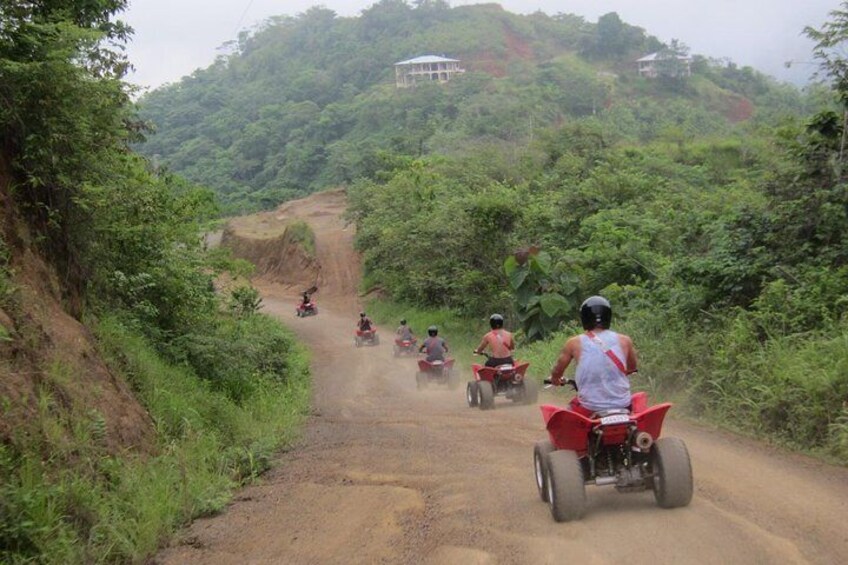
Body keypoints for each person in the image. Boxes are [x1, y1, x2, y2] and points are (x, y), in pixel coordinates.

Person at [548, 296, 638, 415]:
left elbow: (558, 369)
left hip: (590, 407)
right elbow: (632, 368)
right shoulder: (625, 340)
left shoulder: (574, 343)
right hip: (623, 404)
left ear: (584, 318)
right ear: (608, 316)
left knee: (569, 415)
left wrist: (555, 378)